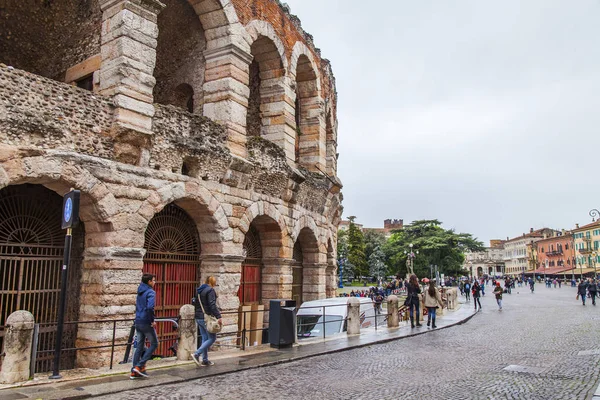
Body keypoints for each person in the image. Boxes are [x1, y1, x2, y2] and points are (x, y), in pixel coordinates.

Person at [131, 273, 158, 379]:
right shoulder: (151, 292)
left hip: (138, 321)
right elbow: (150, 307)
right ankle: (139, 365)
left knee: (140, 346)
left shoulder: (140, 291)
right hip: (146, 322)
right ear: (149, 282)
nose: (155, 282)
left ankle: (134, 371)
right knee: (155, 343)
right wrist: (152, 320)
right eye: (154, 280)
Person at [192, 276, 222, 366]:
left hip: (198, 317)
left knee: (205, 338)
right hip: (206, 317)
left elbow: (194, 303)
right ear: (212, 282)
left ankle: (205, 360)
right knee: (212, 338)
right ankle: (197, 354)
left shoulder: (199, 291)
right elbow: (212, 305)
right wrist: (218, 316)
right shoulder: (210, 291)